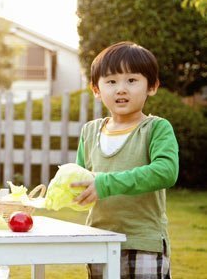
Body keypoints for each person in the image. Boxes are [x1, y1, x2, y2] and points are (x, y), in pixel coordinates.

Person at [72, 41, 179, 279]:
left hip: (143, 242)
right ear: (96, 89)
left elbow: (166, 171)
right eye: (111, 81)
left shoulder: (156, 128)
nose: (121, 89)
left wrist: (105, 184)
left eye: (132, 80)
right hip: (99, 240)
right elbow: (81, 179)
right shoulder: (89, 132)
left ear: (152, 86)